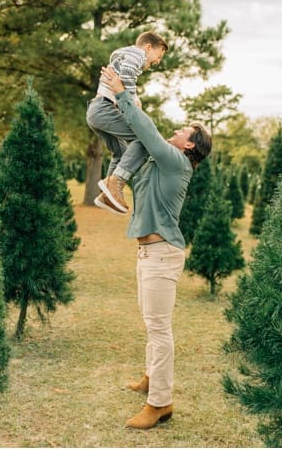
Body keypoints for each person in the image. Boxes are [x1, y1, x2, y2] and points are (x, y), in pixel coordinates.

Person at [100, 65, 211, 430]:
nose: (177, 131)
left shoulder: (176, 162)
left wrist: (123, 93)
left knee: (160, 329)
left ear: (190, 144)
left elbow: (147, 131)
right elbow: (132, 144)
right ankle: (150, 378)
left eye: (184, 131)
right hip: (149, 253)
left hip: (163, 254)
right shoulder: (158, 164)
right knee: (152, 325)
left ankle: (160, 403)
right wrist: (114, 114)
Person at [86, 31, 169, 215]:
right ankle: (115, 183)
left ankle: (107, 194)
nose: (157, 61)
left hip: (97, 110)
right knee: (145, 139)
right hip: (105, 109)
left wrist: (133, 96)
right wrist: (130, 98)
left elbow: (124, 74)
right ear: (148, 47)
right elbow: (128, 72)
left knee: (121, 153)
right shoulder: (136, 54)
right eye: (158, 55)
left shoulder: (125, 55)